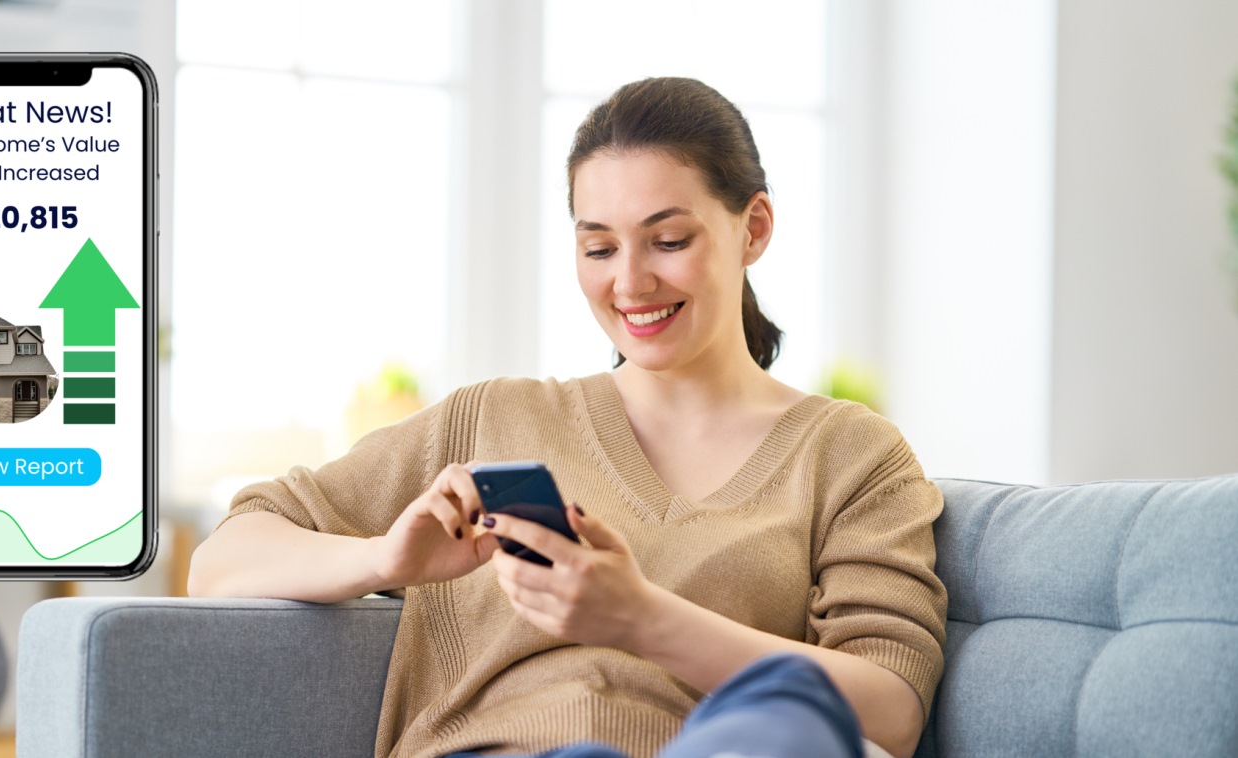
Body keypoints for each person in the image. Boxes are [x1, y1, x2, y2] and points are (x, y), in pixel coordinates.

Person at [188, 77, 947, 758]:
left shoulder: (852, 455)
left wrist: (639, 617)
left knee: (793, 720)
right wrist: (387, 559)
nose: (629, 281)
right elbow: (222, 561)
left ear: (752, 228)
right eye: (598, 247)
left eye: (669, 240)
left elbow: (891, 709)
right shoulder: (492, 418)